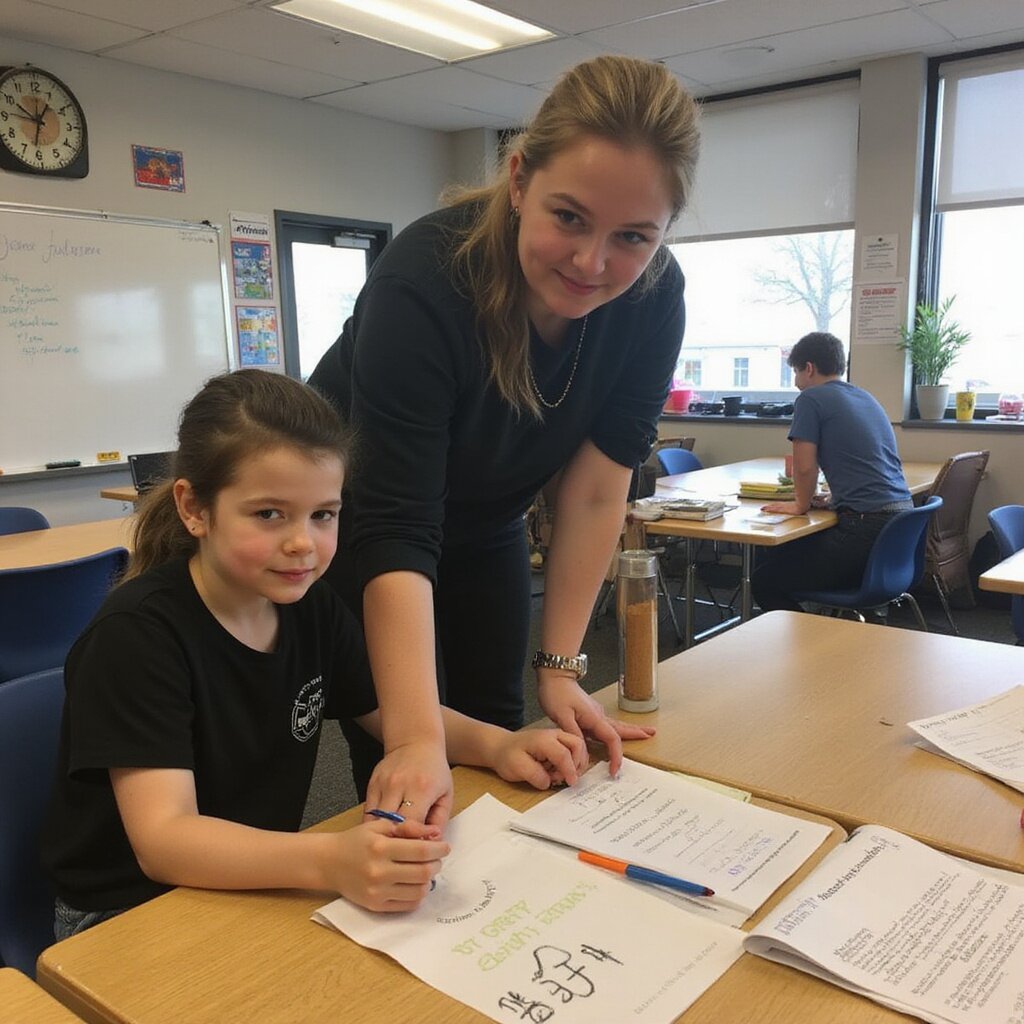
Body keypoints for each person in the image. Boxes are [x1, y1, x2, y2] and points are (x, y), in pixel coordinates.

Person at [40, 370, 588, 939]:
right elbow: (165, 841)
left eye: (323, 514)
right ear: (194, 508)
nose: (304, 542)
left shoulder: (308, 605)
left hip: (250, 876)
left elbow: (392, 714)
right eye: (269, 514)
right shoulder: (137, 636)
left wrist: (499, 744)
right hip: (124, 913)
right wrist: (328, 860)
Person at [308, 55, 702, 829]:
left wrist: (560, 671)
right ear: (519, 181)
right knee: (409, 756)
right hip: (363, 529)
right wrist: (418, 738)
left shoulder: (656, 298)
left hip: (485, 521)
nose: (594, 263)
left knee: (504, 728)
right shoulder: (423, 282)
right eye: (569, 217)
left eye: (633, 236)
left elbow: (595, 490)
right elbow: (395, 525)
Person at [752, 331, 914, 611]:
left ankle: (806, 649)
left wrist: (800, 505)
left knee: (765, 578)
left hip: (864, 531)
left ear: (809, 368)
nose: (795, 382)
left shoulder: (811, 399)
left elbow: (804, 466)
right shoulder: (864, 397)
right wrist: (835, 499)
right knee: (782, 553)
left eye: (795, 371)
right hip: (897, 528)